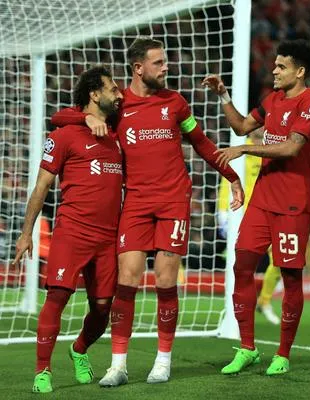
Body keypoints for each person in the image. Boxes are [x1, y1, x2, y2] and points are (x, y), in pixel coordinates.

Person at [51, 36, 244, 386]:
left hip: (173, 204)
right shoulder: (119, 106)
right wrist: (84, 120)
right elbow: (59, 115)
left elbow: (201, 143)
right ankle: (118, 365)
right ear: (138, 68)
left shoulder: (176, 104)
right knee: (126, 282)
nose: (166, 67)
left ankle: (163, 360)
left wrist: (231, 177)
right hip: (135, 205)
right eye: (158, 63)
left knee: (166, 282)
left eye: (165, 61)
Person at [202, 39, 310, 375]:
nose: (274, 70)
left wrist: (245, 150)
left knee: (290, 274)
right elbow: (242, 126)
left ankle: (283, 354)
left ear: (300, 71)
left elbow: (291, 149)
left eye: (282, 66)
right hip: (262, 200)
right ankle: (247, 348)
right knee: (242, 266)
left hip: (292, 205)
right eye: (275, 64)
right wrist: (224, 97)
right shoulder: (271, 100)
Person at [13, 65, 124, 393]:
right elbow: (42, 186)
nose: (119, 95)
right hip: (72, 232)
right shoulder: (62, 136)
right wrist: (25, 232)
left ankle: (78, 350)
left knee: (103, 310)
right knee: (57, 297)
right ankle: (42, 371)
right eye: (112, 88)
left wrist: (83, 117)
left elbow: (65, 113)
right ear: (94, 94)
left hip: (108, 238)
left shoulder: (115, 132)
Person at [218, 129, 281, 325]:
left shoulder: (270, 150)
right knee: (241, 265)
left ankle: (264, 301)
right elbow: (227, 180)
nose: (262, 129)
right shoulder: (240, 150)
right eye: (258, 125)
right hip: (240, 214)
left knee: (279, 261)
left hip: (268, 211)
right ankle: (233, 310)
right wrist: (223, 213)